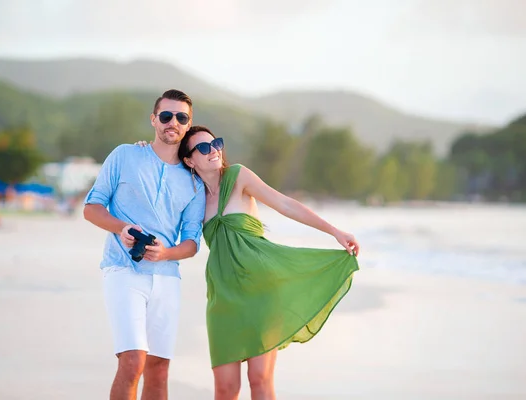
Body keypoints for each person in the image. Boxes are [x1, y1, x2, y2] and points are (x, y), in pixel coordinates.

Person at [162, 125, 360, 400]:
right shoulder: (194, 197)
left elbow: (285, 204)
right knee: (226, 388)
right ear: (189, 160)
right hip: (224, 296)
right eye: (204, 148)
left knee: (260, 379)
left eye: (216, 143)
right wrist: (147, 149)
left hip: (263, 289)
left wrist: (334, 232)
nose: (214, 151)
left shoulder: (238, 175)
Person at [83, 90, 206, 400]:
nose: (172, 122)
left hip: (167, 278)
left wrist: (166, 253)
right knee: (132, 360)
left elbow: (191, 243)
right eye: (165, 116)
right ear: (154, 119)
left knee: (159, 367)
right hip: (123, 270)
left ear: (188, 124)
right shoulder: (125, 155)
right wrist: (121, 227)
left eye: (181, 118)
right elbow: (91, 207)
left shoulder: (194, 182)